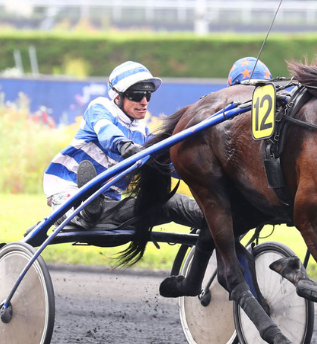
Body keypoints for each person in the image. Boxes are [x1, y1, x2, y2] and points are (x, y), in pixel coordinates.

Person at [42, 61, 204, 230]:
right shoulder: (100, 107)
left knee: (172, 203)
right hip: (67, 191)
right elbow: (107, 131)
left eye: (148, 95)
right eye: (136, 95)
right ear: (117, 97)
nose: (144, 101)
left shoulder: (142, 133)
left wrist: (197, 172)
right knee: (82, 205)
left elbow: (168, 164)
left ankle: (222, 220)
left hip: (109, 206)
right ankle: (81, 211)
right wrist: (125, 146)